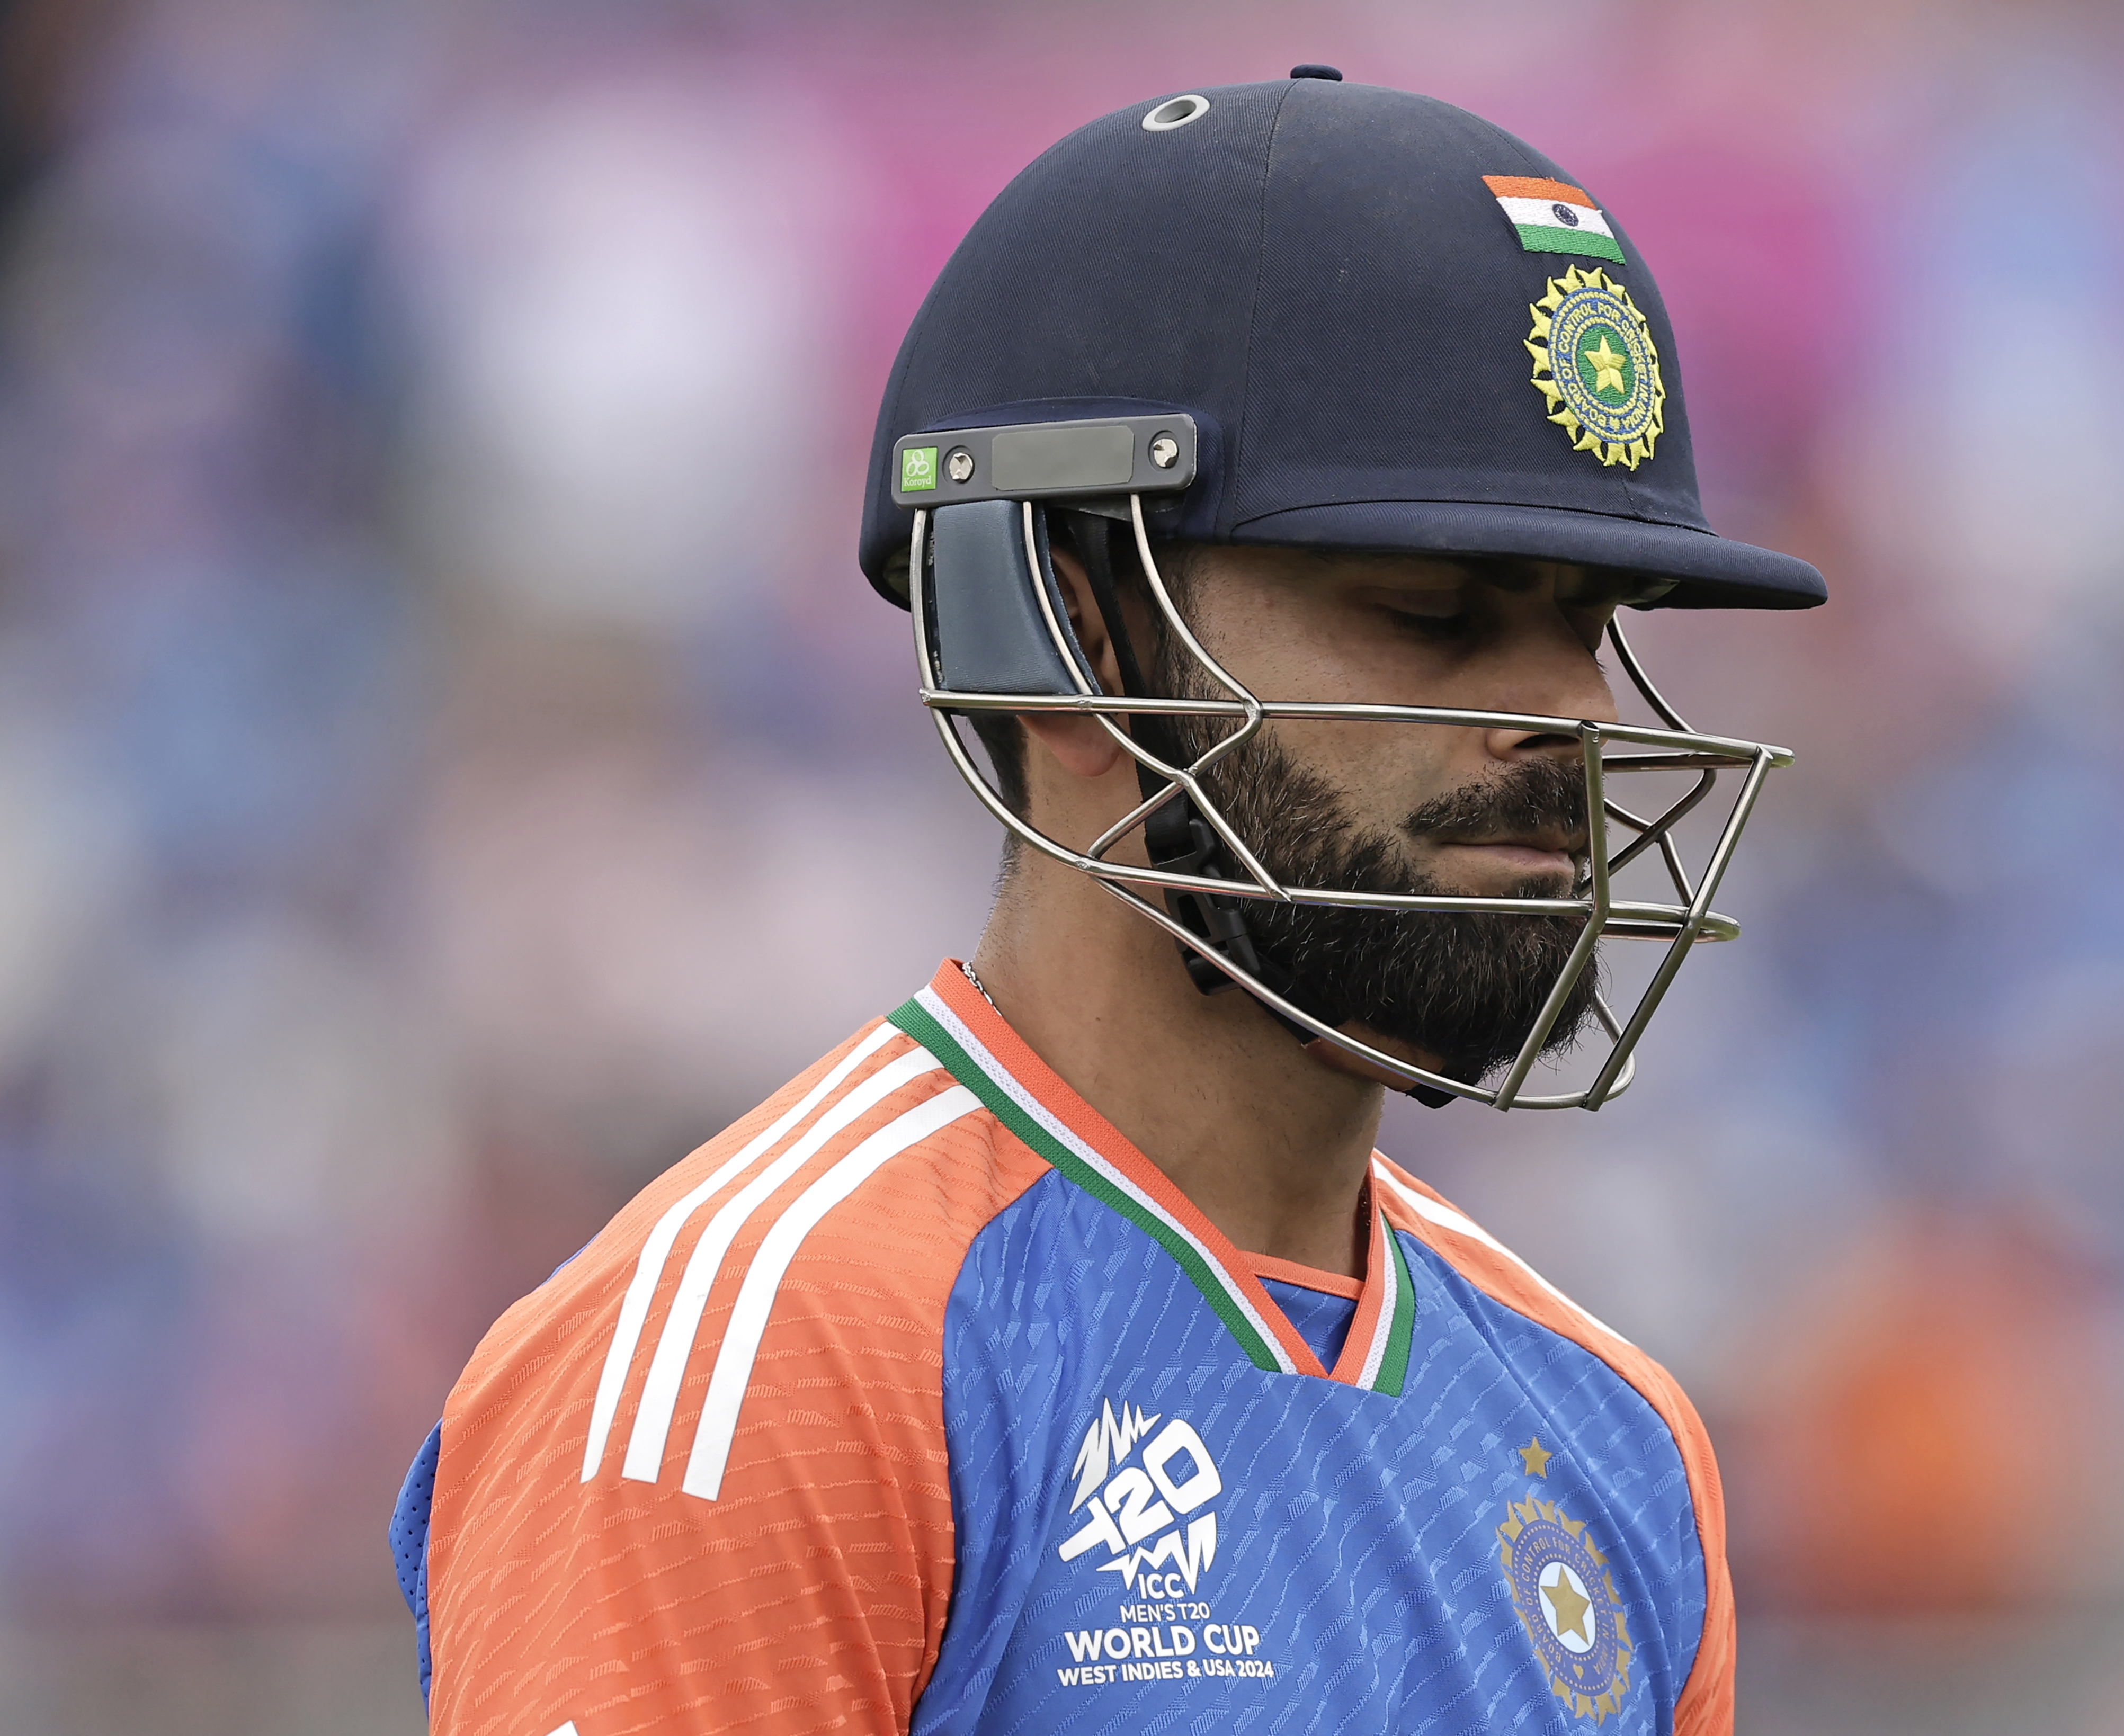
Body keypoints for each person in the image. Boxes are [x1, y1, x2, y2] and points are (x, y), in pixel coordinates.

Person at [392, 66, 1825, 1736]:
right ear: (1068, 647)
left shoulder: (1614, 1437)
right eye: (1431, 611)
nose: (1569, 716)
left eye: (1587, 625)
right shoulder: (772, 1356)